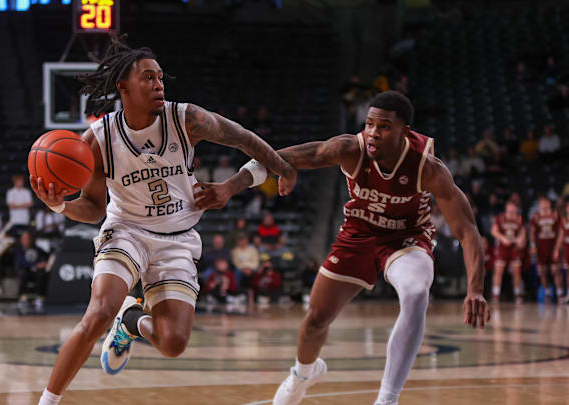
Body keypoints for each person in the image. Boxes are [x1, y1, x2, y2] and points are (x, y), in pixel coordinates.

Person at [31, 34, 295, 405]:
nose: (158, 84)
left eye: (160, 78)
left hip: (178, 237)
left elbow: (244, 139)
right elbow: (92, 208)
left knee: (173, 344)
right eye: (148, 78)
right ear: (123, 86)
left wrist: (263, 176)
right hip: (127, 232)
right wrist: (59, 205)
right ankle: (47, 401)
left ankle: (132, 322)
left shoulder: (187, 119)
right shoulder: (98, 139)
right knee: (98, 312)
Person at [199, 91, 490, 405]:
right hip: (358, 234)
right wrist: (230, 185)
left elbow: (469, 231)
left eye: (384, 127)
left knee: (417, 292)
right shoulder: (350, 149)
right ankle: (302, 375)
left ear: (405, 132)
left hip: (406, 239)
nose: (374, 133)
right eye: (369, 124)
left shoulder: (428, 167)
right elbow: (276, 157)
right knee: (315, 319)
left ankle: (387, 399)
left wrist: (474, 289)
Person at [491, 200, 526, 304]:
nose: (511, 209)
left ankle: (517, 295)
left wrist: (521, 240)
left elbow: (523, 233)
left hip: (514, 249)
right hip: (502, 249)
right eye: (509, 207)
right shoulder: (501, 218)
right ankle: (495, 295)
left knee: (516, 272)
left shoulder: (519, 219)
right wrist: (503, 238)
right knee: (498, 272)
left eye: (513, 207)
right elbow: (493, 231)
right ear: (506, 207)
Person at [529, 196, 561, 302]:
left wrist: (557, 247)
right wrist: (533, 245)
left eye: (545, 202)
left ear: (549, 203)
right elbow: (532, 232)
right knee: (543, 271)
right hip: (541, 248)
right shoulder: (536, 217)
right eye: (541, 203)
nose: (543, 205)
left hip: (553, 246)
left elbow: (561, 231)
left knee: (555, 270)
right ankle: (547, 292)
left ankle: (559, 294)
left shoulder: (555, 215)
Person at [15, 231, 49, 307]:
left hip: (36, 272)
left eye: (27, 238)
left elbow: (47, 255)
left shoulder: (36, 248)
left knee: (42, 274)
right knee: (23, 274)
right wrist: (35, 265)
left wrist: (45, 263)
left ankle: (40, 298)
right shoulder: (19, 250)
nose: (25, 240)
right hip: (25, 271)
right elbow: (20, 263)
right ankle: (22, 298)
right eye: (24, 238)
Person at [553, 202, 569, 304]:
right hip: (567, 249)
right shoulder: (564, 221)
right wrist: (556, 249)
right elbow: (561, 236)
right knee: (568, 272)